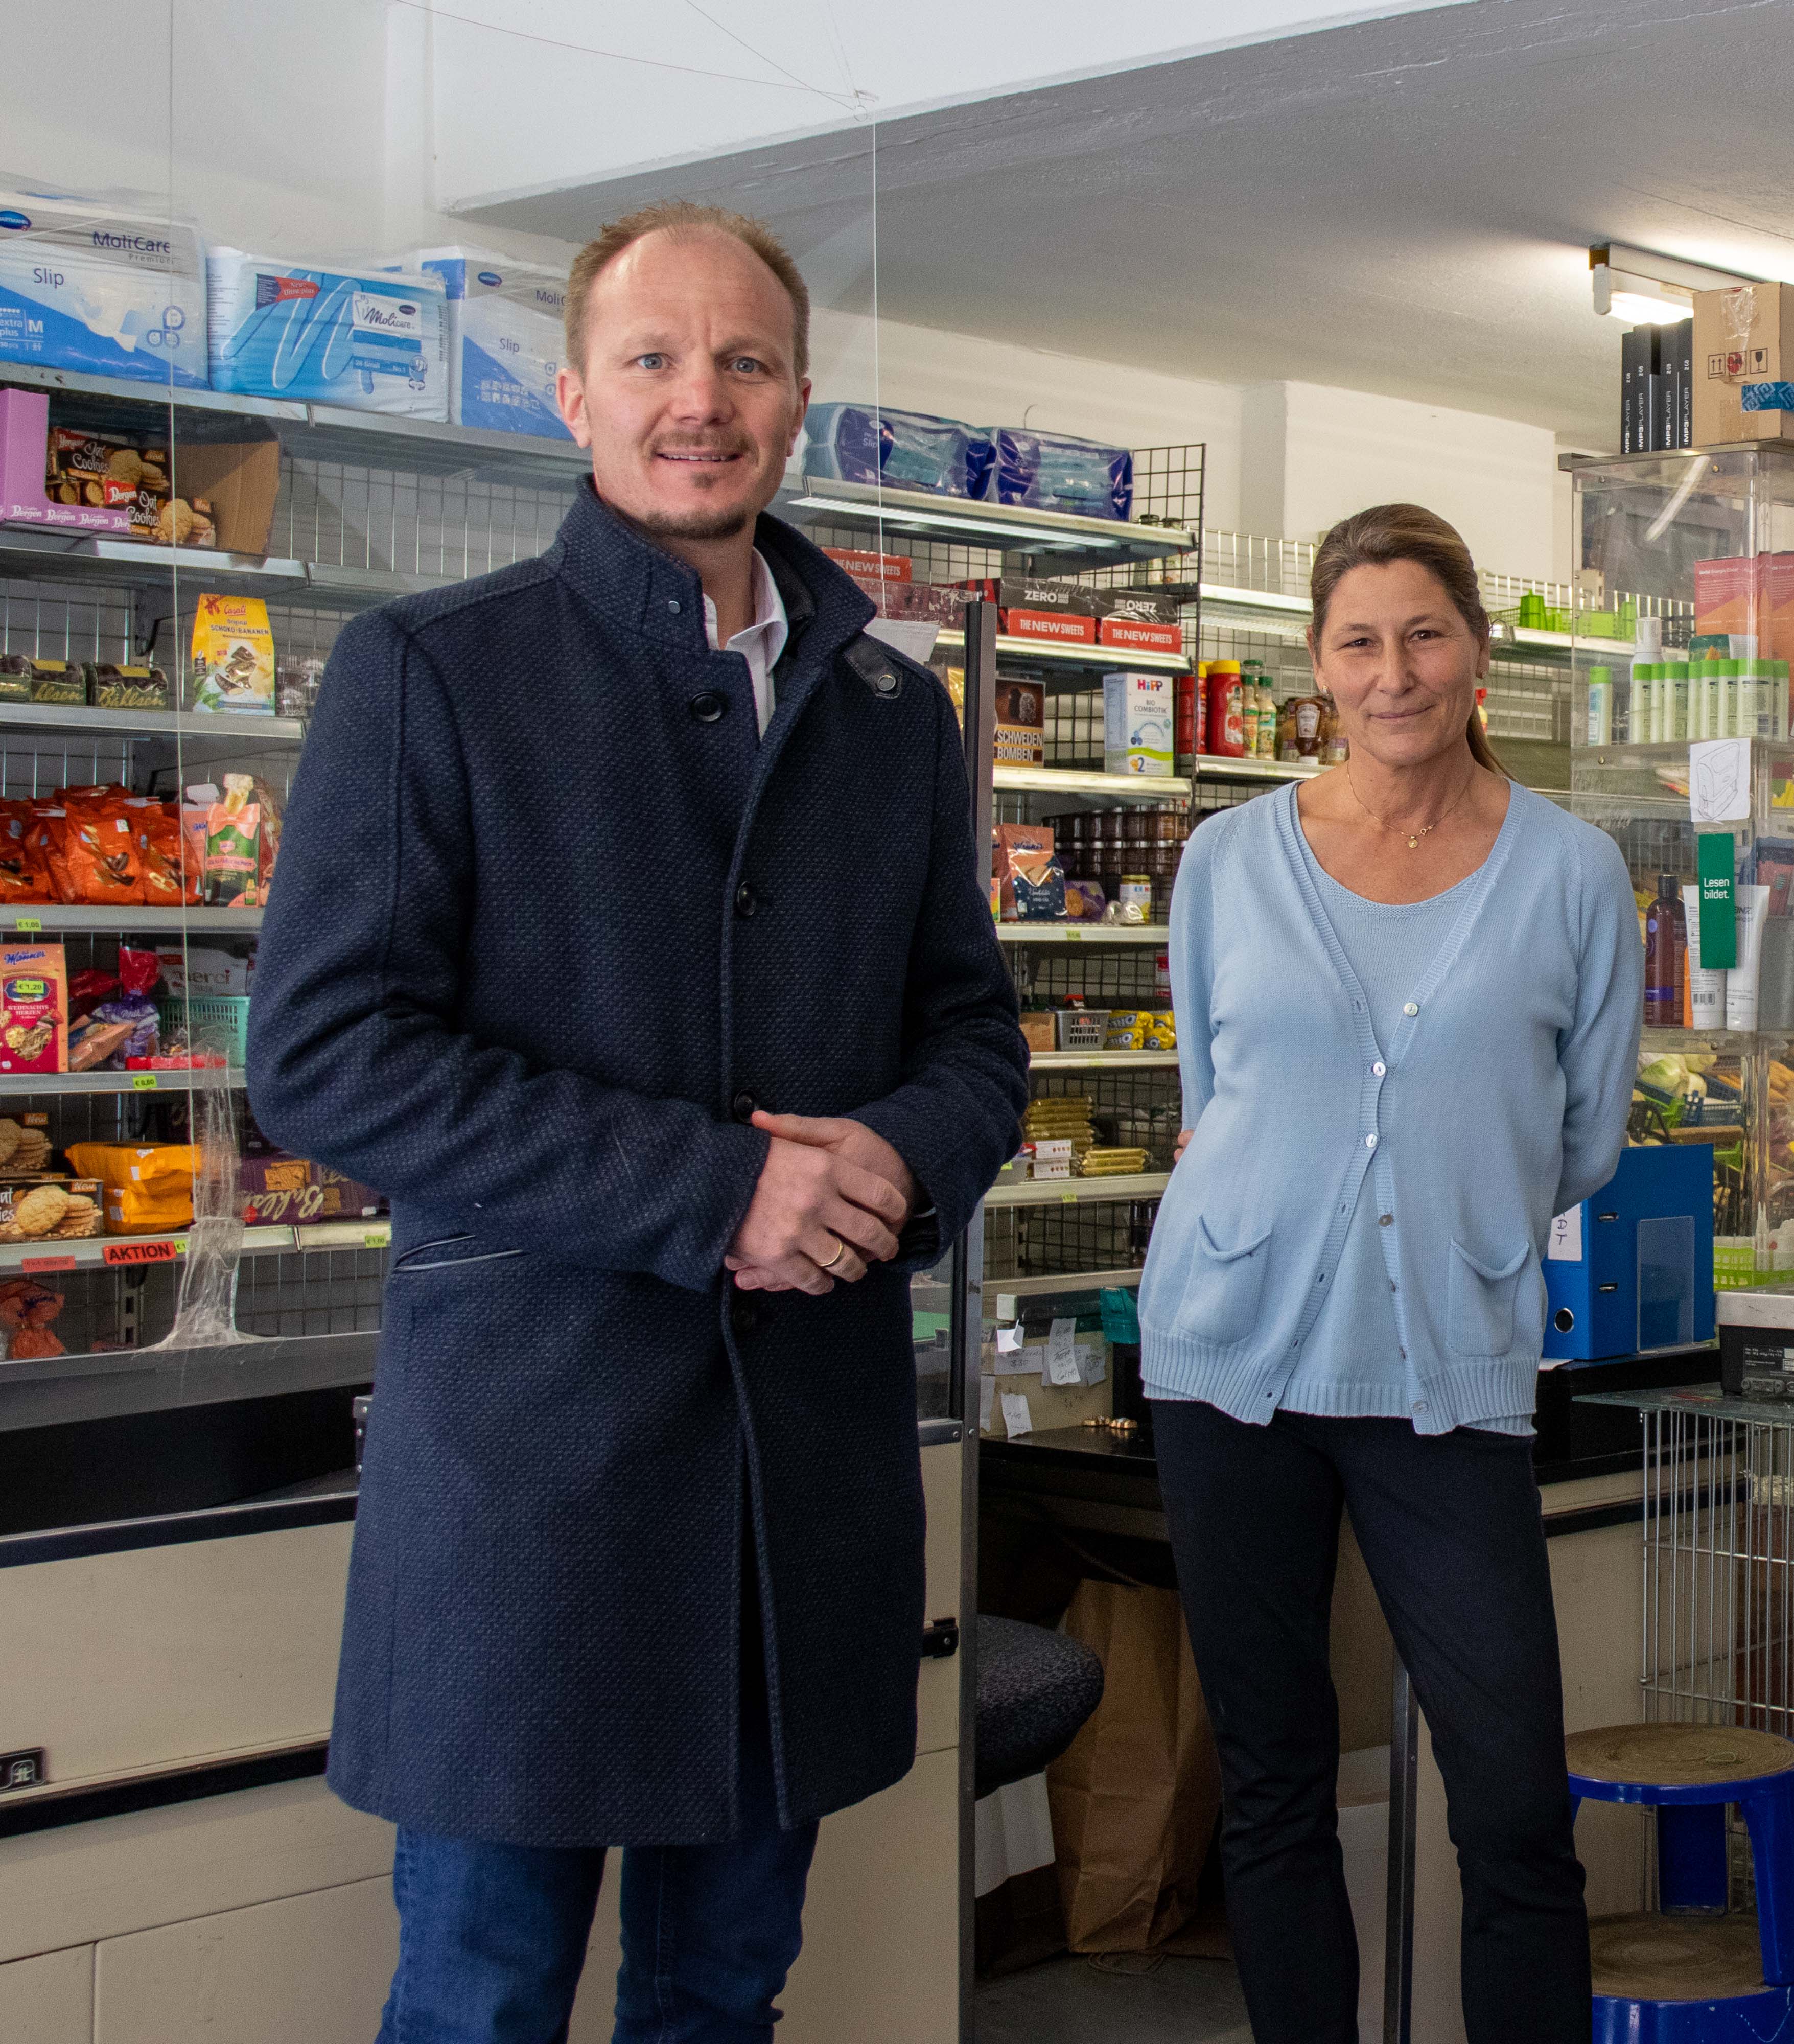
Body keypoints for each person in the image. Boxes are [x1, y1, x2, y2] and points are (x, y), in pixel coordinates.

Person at [249, 199, 1029, 2040]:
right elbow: (330, 1054)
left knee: (723, 1996)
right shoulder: (434, 673)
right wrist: (719, 1191)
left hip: (797, 1490)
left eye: (745, 361)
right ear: (573, 397)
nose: (703, 399)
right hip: (536, 1493)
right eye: (656, 359)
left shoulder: (890, 713)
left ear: (802, 401)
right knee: (484, 1997)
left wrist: (900, 1156)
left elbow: (975, 1034)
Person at [1140, 503, 1642, 2043]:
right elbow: (1215, 1108)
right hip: (1230, 1362)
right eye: (1360, 641)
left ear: (1477, 652)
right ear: (1320, 665)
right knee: (1276, 1788)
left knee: (1509, 1803)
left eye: (1425, 634)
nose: (1395, 671)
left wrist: (1446, 1217)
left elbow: (1587, 1136)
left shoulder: (1573, 874)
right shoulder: (1228, 860)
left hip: (1447, 1376)